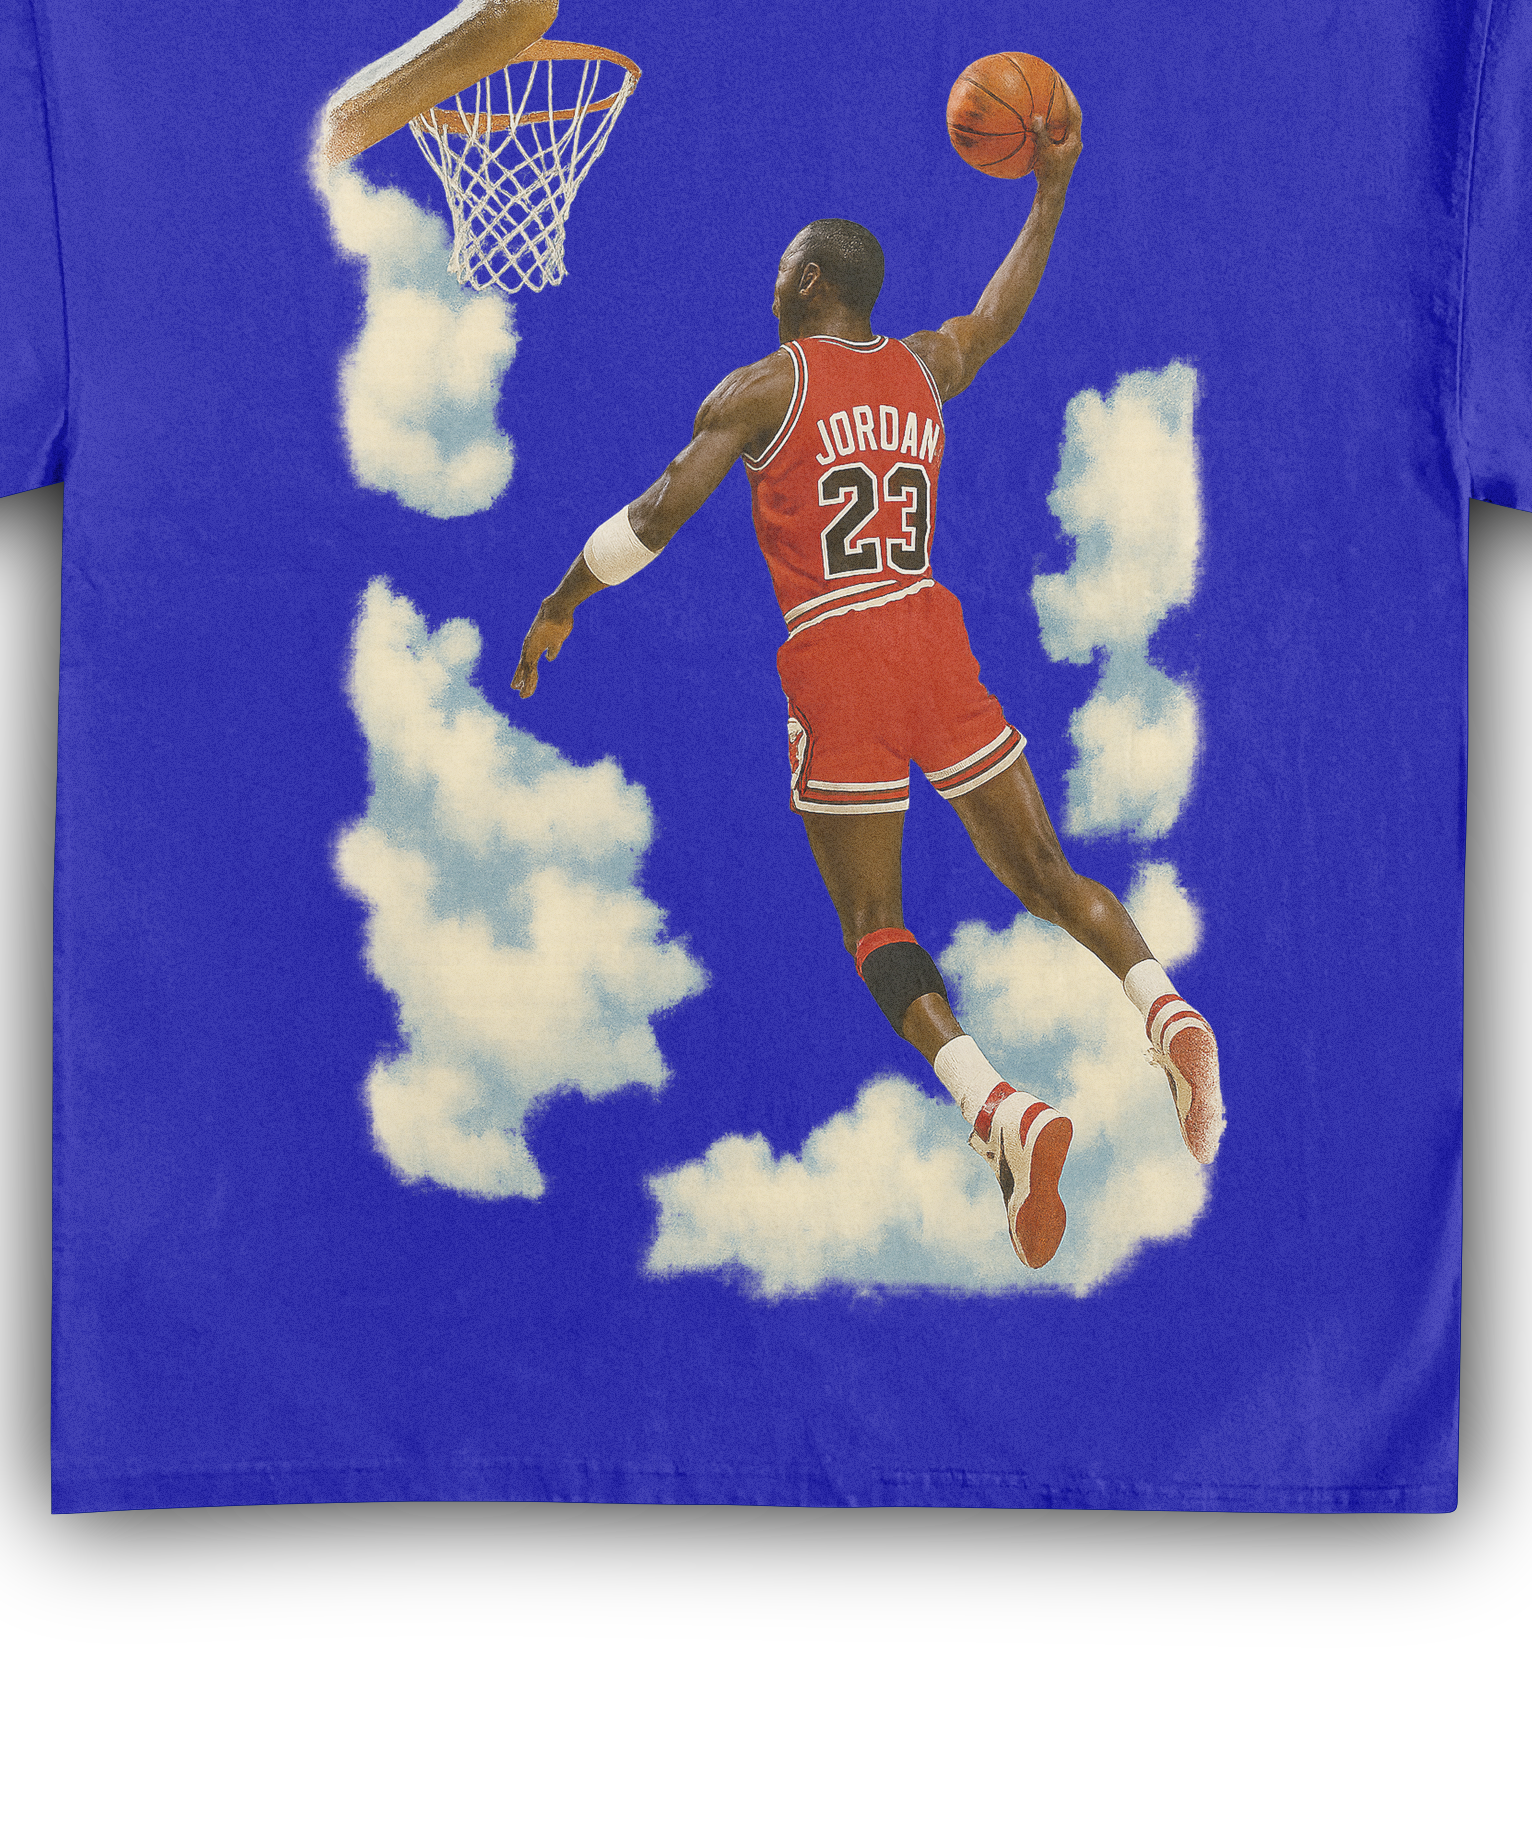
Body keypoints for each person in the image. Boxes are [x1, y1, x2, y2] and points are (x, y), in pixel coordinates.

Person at [511, 93, 1223, 1269]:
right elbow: (995, 316)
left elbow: (655, 515)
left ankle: (998, 1106)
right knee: (1047, 876)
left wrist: (561, 598)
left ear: (806, 282)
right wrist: (1049, 189)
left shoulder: (760, 386)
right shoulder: (924, 365)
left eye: (777, 272)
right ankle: (1163, 1003)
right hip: (928, 631)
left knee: (873, 922)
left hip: (836, 648)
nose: (769, 286)